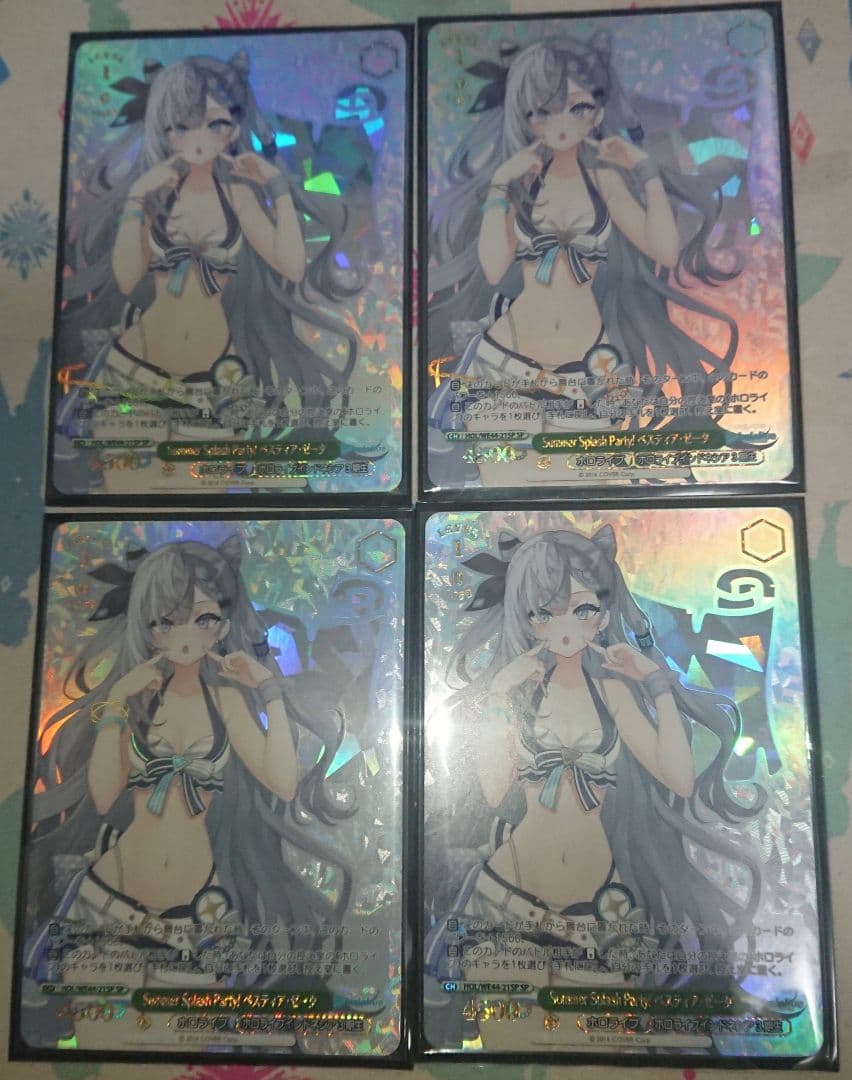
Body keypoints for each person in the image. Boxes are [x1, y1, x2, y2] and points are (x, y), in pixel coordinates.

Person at [424, 525, 764, 1049]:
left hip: (601, 916)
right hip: (504, 900)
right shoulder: (519, 691)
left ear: (604, 616)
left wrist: (657, 684)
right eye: (545, 612)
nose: (564, 625)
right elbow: (492, 791)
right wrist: (497, 698)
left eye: (582, 609)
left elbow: (678, 777)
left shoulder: (611, 692)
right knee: (512, 1052)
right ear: (524, 616)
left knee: (593, 1050)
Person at [22, 537, 353, 1047]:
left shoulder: (225, 701)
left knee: (180, 1053)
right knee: (105, 1052)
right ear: (146, 622)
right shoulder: (136, 697)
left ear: (222, 624)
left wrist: (269, 690)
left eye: (203, 619)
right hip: (106, 907)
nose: (185, 634)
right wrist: (117, 702)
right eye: (167, 620)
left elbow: (283, 782)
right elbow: (104, 796)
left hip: (198, 923)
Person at [426, 32, 772, 487]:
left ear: (598, 112)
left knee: (580, 485)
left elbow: (664, 251)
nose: (561, 123)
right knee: (509, 484)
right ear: (524, 114)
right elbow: (493, 267)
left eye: (577, 107)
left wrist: (645, 172)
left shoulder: (604, 180)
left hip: (588, 371)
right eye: (544, 111)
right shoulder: (520, 181)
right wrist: (500, 185)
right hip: (505, 362)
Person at [55, 51, 360, 492]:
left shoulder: (237, 194)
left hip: (216, 385)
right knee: (128, 495)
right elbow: (126, 278)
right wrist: (137, 200)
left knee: (200, 499)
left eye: (215, 123)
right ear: (164, 128)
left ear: (233, 128)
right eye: (184, 124)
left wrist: (278, 187)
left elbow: (292, 266)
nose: (200, 137)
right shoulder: (154, 192)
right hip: (134, 371)